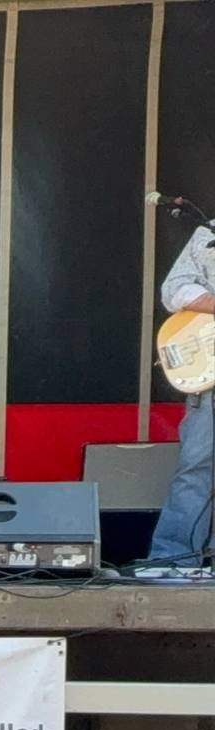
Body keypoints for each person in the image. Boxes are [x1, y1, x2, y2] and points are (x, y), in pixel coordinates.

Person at [147, 228, 215, 569]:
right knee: (196, 465)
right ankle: (173, 560)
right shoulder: (210, 232)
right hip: (210, 375)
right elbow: (174, 289)